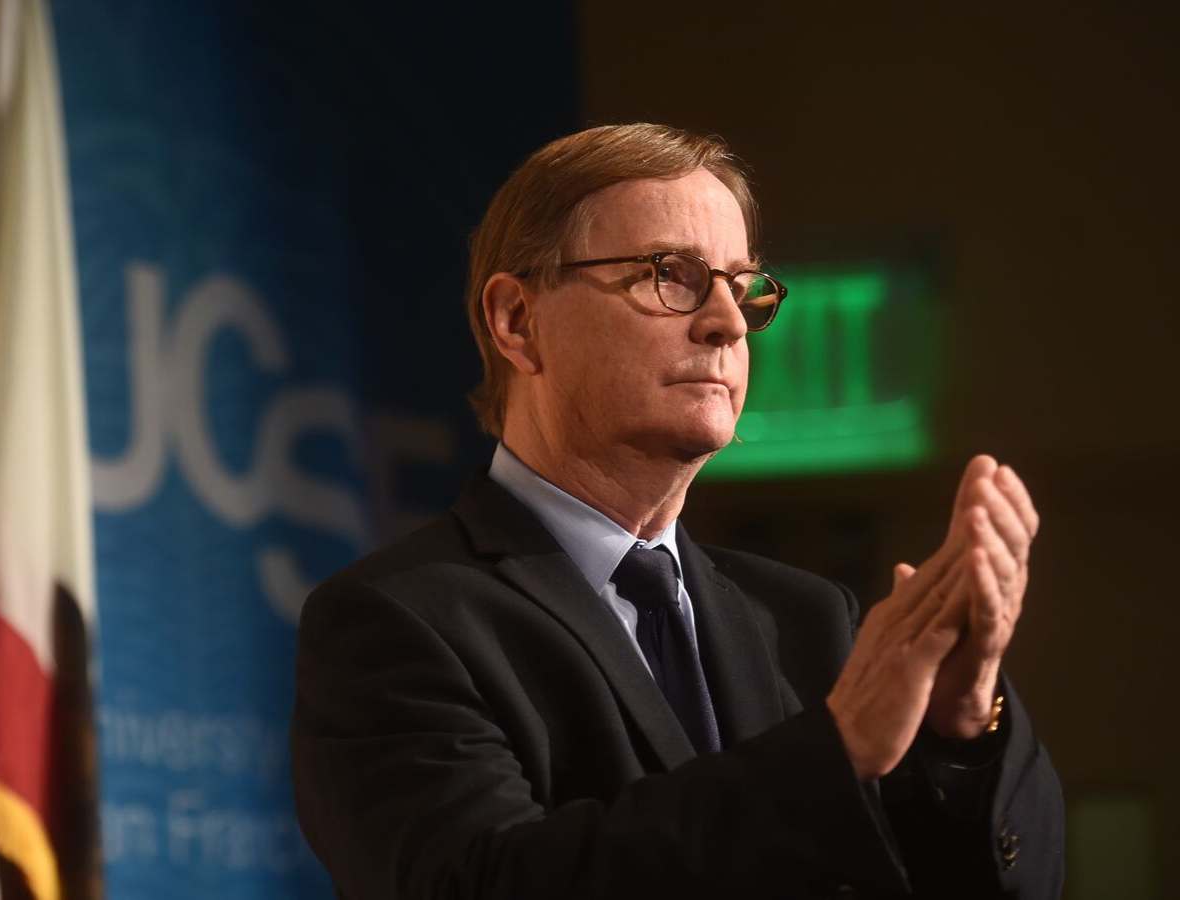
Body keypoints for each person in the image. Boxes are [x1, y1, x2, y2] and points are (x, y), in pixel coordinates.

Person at [291, 123, 1064, 898]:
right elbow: (481, 882)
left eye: (741, 285)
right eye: (671, 275)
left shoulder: (808, 620)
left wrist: (961, 729)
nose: (727, 323)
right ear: (517, 322)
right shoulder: (394, 624)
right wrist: (831, 753)